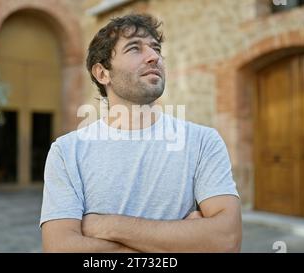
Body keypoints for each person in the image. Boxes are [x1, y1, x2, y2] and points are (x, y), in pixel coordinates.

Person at [40, 14, 241, 253]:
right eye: (135, 48)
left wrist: (108, 225)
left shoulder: (203, 142)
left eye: (156, 48)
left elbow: (227, 241)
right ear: (102, 73)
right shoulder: (66, 152)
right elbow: (60, 248)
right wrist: (183, 241)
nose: (154, 56)